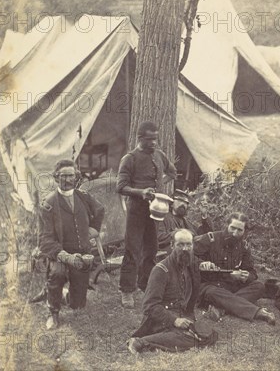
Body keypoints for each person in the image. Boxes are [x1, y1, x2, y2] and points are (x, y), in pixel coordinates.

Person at [117, 121, 177, 309]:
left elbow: (172, 172)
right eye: (149, 139)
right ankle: (127, 291)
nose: (153, 143)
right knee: (132, 250)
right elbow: (121, 187)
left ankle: (146, 285)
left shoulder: (160, 155)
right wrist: (141, 192)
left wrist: (159, 187)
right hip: (136, 211)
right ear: (140, 138)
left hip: (155, 211)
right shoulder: (130, 158)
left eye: (155, 139)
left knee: (151, 250)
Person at [39, 159, 105, 329]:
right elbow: (45, 241)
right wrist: (66, 257)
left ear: (76, 177)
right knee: (57, 273)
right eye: (64, 176)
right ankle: (53, 312)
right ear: (55, 178)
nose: (68, 180)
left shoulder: (83, 197)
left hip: (82, 254)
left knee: (78, 305)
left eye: (72, 176)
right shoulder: (49, 203)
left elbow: (100, 210)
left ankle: (61, 293)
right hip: (59, 254)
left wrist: (93, 229)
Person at [127, 229, 217, 354]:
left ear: (193, 246)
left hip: (183, 315)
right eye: (180, 244)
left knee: (209, 335)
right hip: (160, 320)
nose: (185, 248)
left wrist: (206, 264)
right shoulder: (161, 270)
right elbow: (150, 306)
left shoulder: (188, 263)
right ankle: (141, 342)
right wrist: (175, 320)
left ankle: (168, 339)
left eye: (188, 244)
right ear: (172, 245)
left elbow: (197, 262)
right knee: (189, 337)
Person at [193, 213, 276, 325]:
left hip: (230, 286)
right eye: (232, 228)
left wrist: (246, 276)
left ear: (244, 232)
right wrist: (202, 263)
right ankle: (258, 312)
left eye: (239, 230)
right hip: (209, 285)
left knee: (259, 286)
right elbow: (188, 257)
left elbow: (252, 272)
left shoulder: (244, 247)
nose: (235, 233)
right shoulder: (210, 239)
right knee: (213, 292)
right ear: (226, 225)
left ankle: (220, 308)